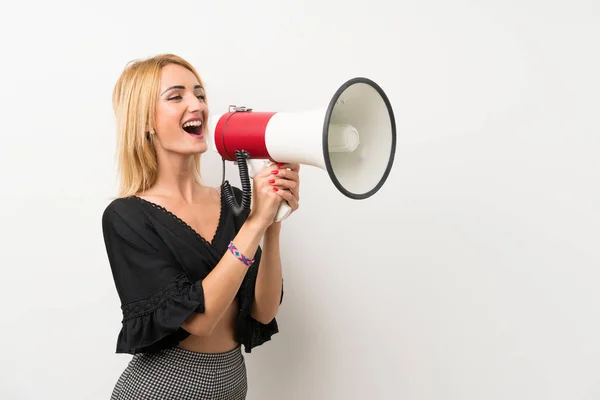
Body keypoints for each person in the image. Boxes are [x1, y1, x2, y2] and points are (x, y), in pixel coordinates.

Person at [102, 53, 300, 399]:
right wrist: (255, 221)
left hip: (231, 383)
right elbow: (200, 320)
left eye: (200, 94)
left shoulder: (234, 202)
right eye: (176, 96)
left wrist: (273, 221)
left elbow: (263, 311)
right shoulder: (126, 217)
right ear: (146, 121)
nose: (197, 104)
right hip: (164, 388)